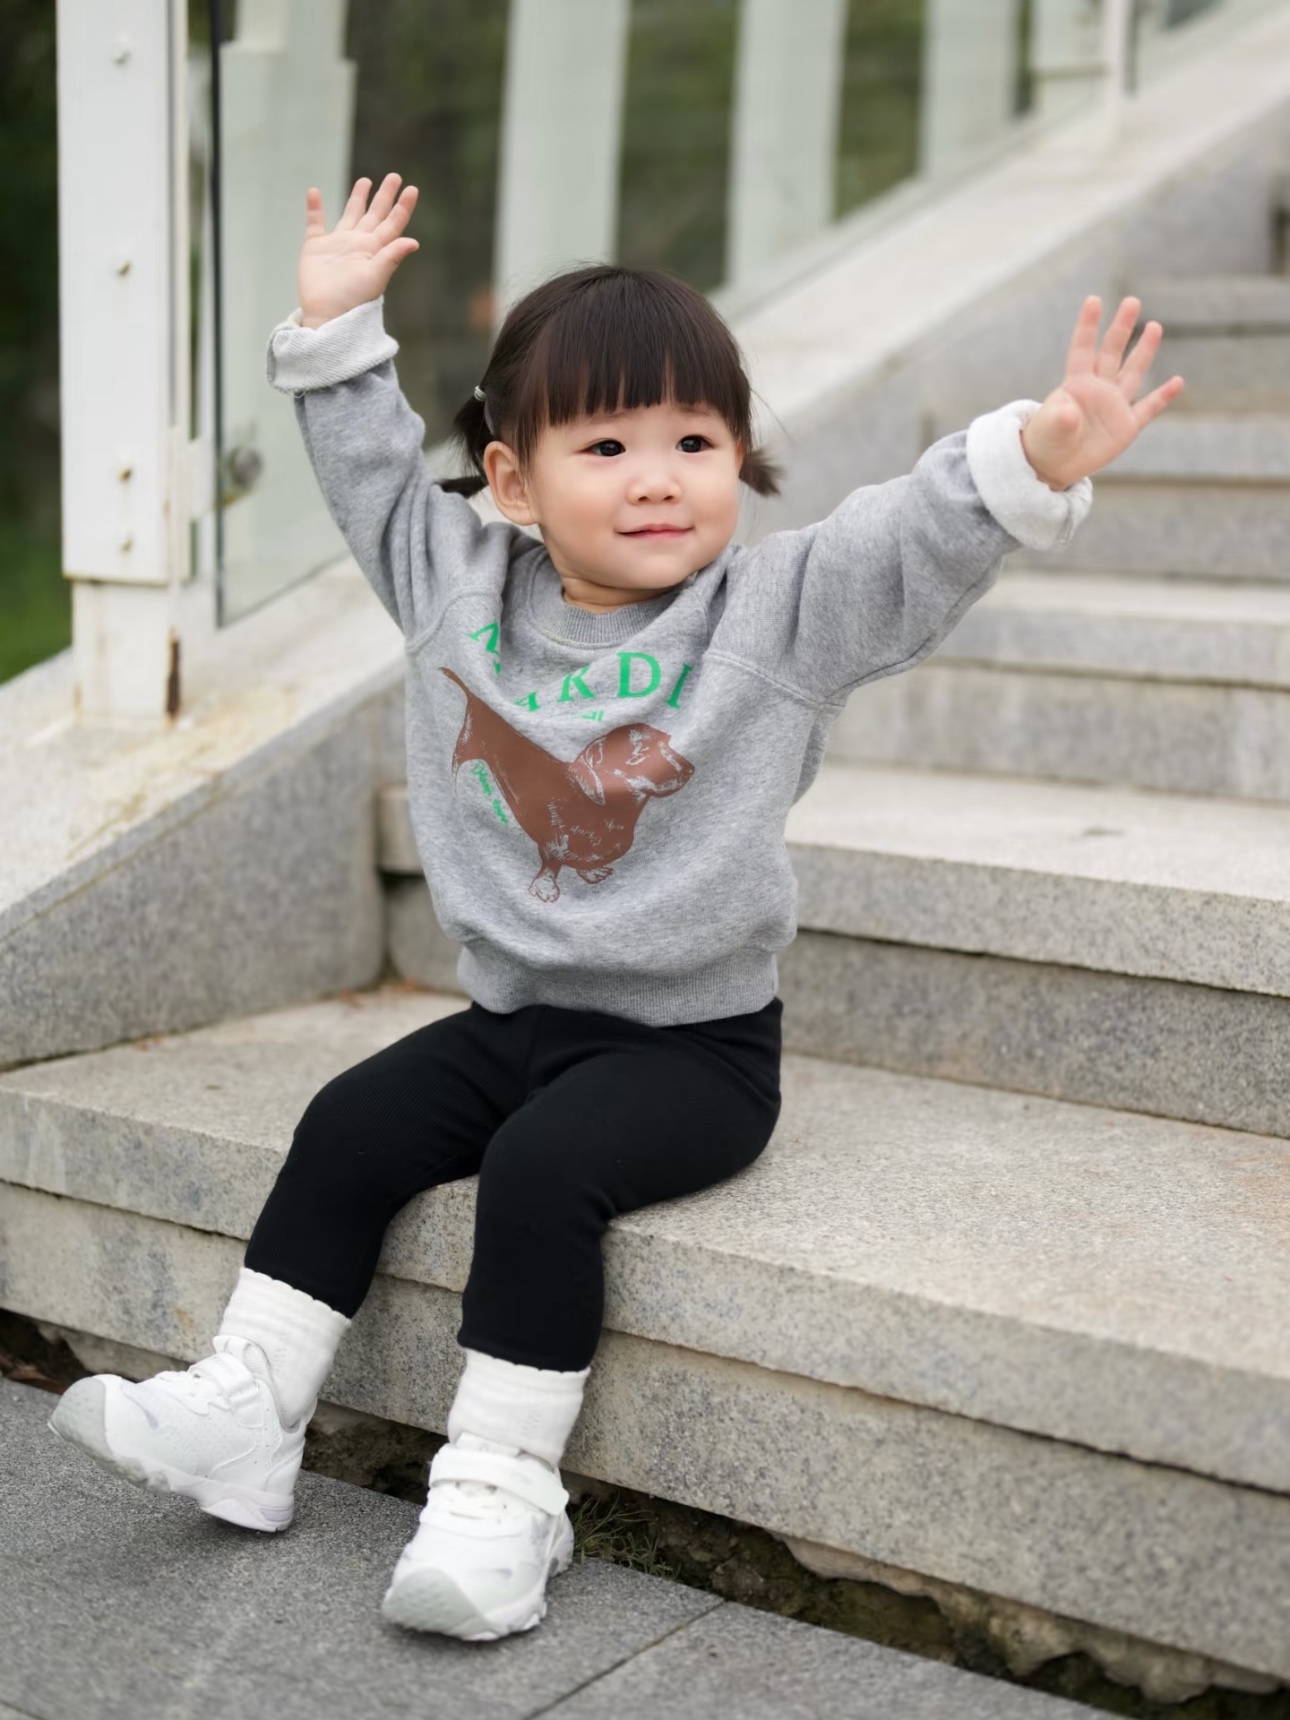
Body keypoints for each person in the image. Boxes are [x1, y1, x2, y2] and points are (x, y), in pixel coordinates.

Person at [49, 172, 1183, 1642]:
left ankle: (502, 1491)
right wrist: (333, 328)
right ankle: (246, 1414)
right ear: (512, 481)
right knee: (349, 1123)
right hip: (511, 1020)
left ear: (737, 458)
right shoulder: (454, 584)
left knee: (543, 1168)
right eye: (606, 445)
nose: (658, 477)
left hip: (691, 1052)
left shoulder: (771, 614)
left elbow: (901, 537)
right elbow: (370, 472)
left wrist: (1032, 456)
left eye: (694, 442)